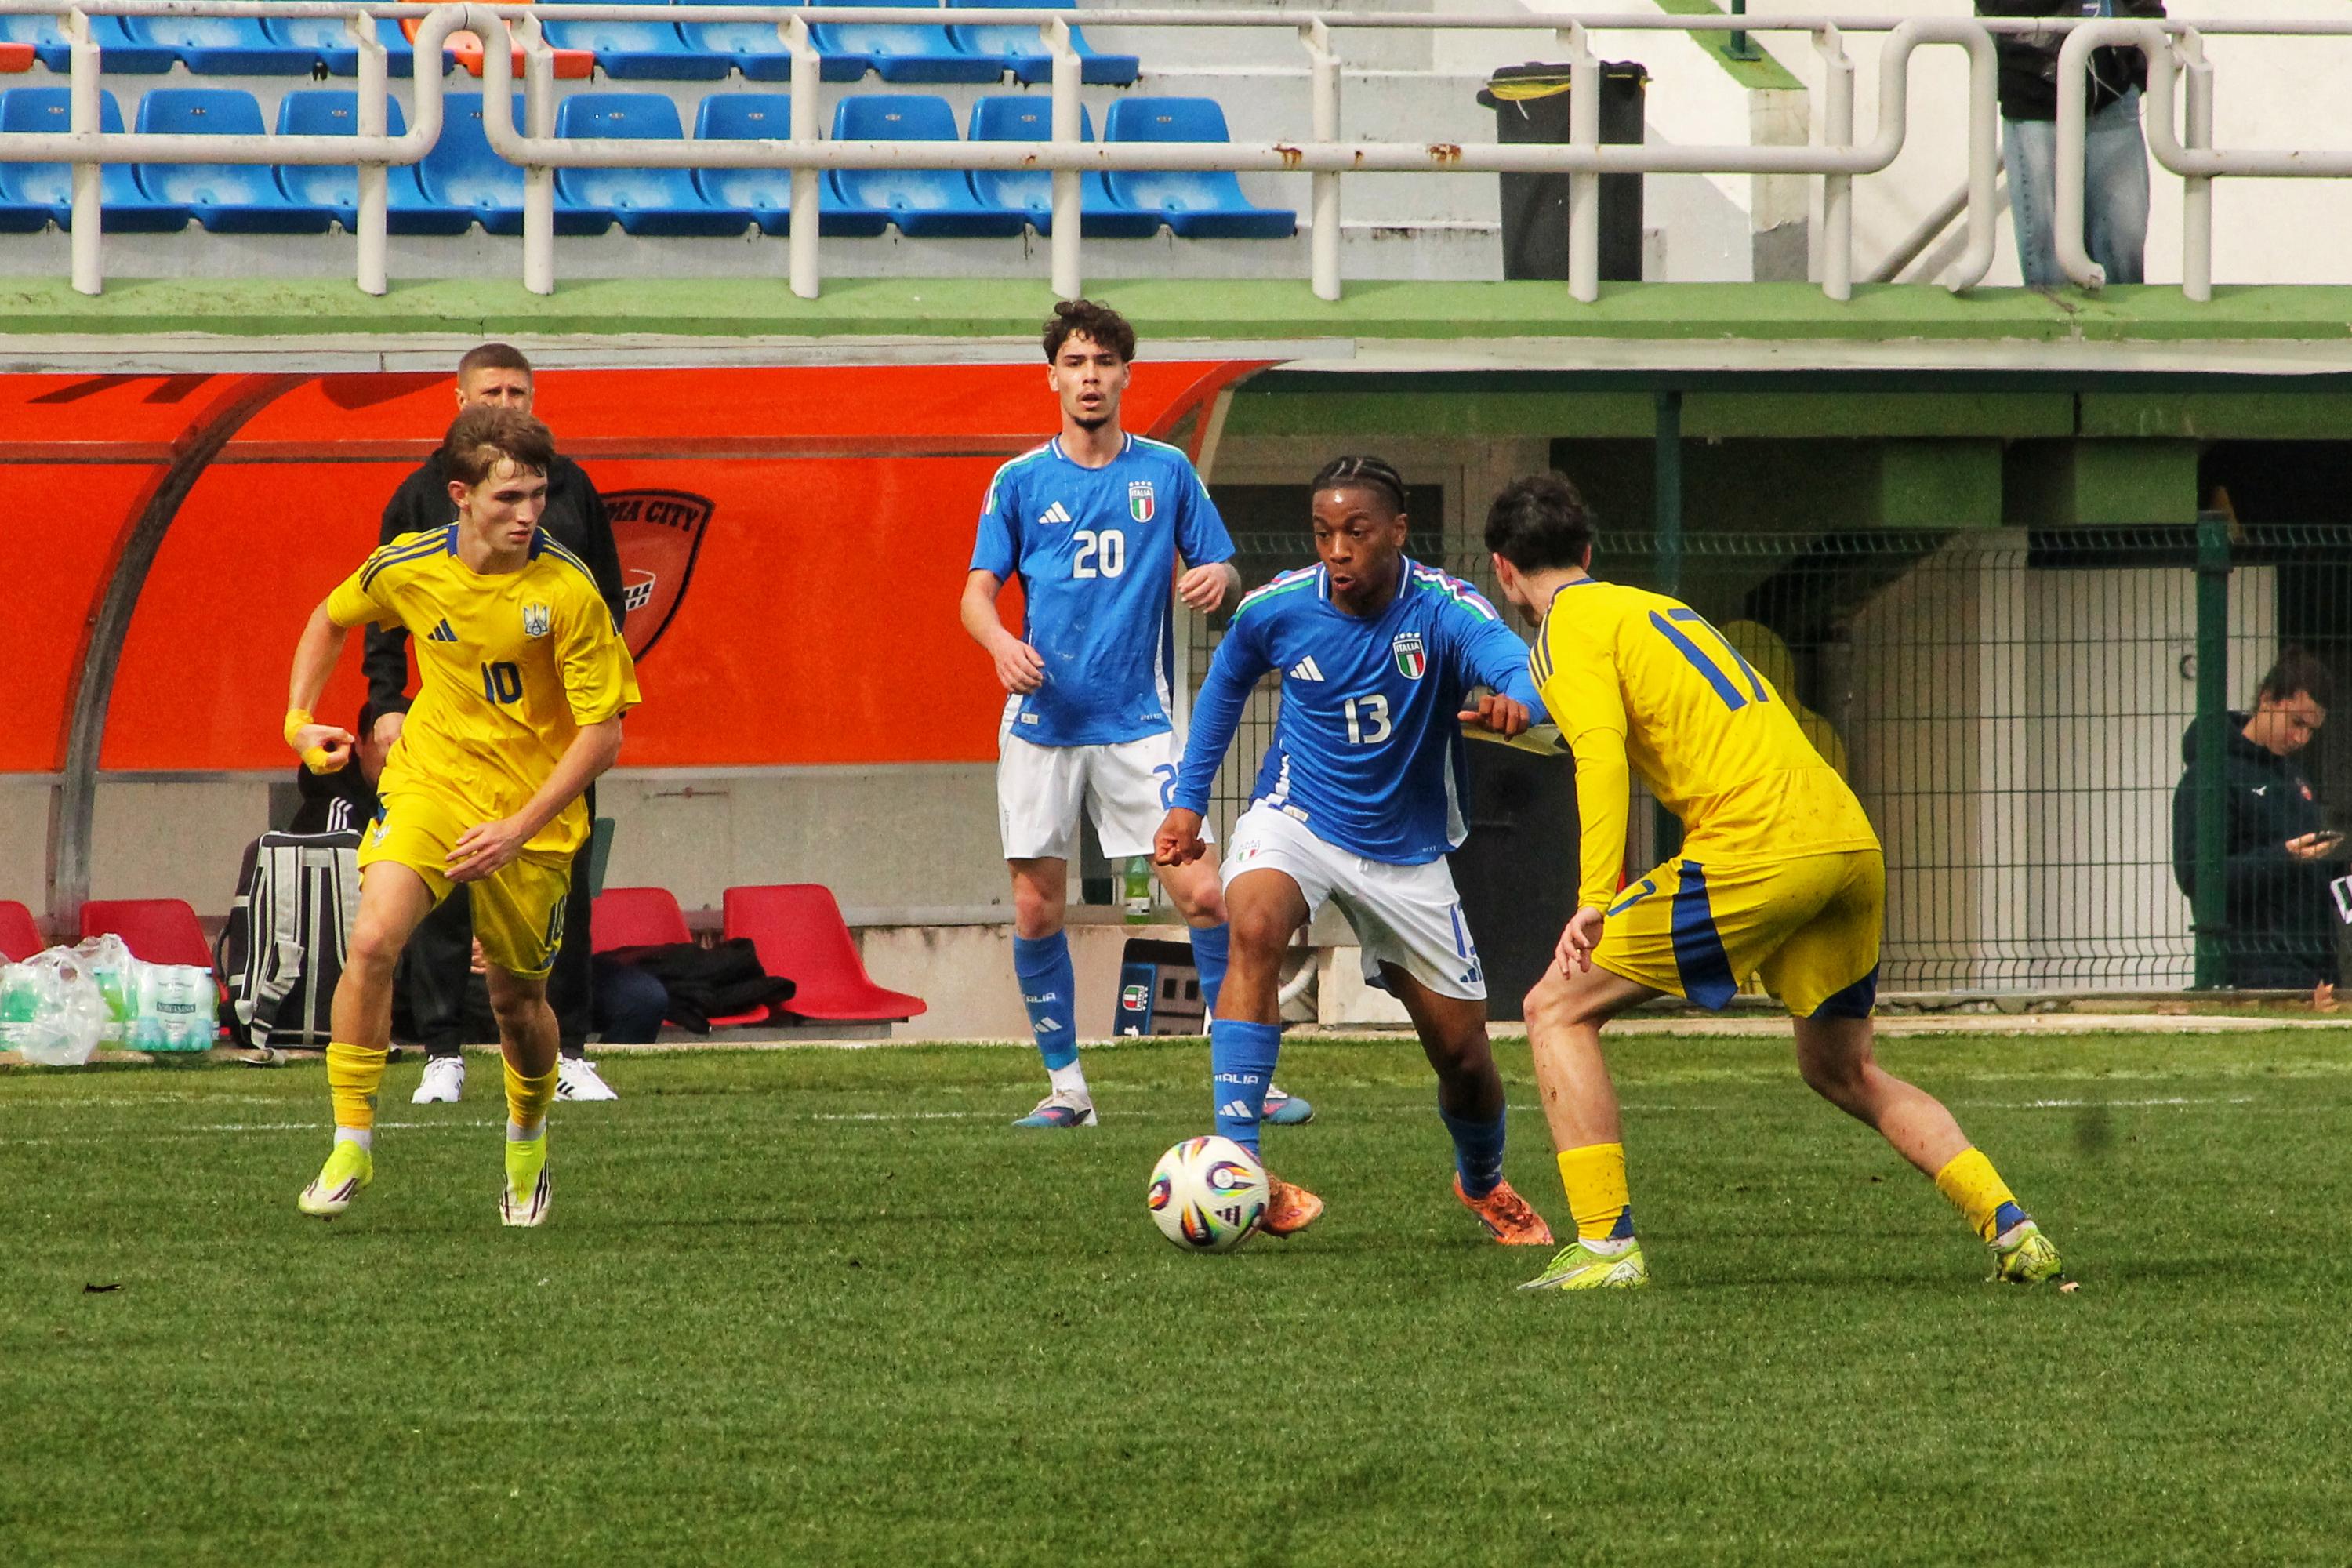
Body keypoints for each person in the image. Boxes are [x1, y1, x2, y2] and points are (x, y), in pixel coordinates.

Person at [1477, 473, 2065, 1291]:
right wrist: (1521, 732)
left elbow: (1602, 754)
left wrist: (1593, 898)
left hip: (1759, 846)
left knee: (1554, 1005)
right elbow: (1613, 726)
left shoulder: (1562, 631)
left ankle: (1607, 1247)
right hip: (1846, 840)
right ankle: (2012, 1226)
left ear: (1504, 572)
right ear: (1587, 551)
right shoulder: (1651, 608)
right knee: (1842, 1069)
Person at [1155, 456, 1556, 1246]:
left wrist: (1521, 700)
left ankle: (1483, 1181)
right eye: (1323, 532)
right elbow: (1228, 677)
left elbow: (1515, 662)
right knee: (1254, 925)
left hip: (1406, 854)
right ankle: (1244, 1165)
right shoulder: (1280, 606)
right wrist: (1187, 801)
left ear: (1397, 532)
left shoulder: (1442, 609)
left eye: (1355, 531)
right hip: (1296, 817)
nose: (1337, 549)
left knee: (1465, 1059)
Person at [284, 407, 640, 1227]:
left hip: (533, 812)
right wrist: (298, 720)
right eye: (510, 496)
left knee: (519, 1003)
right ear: (460, 494)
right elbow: (331, 617)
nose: (529, 514)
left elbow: (604, 734)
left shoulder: (568, 589)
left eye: (539, 495)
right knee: (373, 938)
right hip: (432, 781)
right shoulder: (409, 565)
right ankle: (352, 1142)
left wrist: (517, 826)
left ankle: (526, 1143)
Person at [962, 299, 1310, 1130]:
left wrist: (1215, 581)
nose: (1090, 377)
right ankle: (1067, 1090)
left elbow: (1221, 566)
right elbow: (976, 593)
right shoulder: (1018, 481)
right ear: (1053, 377)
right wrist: (1000, 643)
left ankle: (1248, 1075)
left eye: (1103, 363)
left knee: (1205, 895)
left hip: (1140, 724)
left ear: (1125, 376)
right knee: (1037, 908)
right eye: (1075, 363)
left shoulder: (1165, 473)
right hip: (1041, 724)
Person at [368, 343, 627, 1105]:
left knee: (566, 890)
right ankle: (442, 1052)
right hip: (452, 737)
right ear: (459, 399)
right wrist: (386, 702)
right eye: (492, 390)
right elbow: (378, 612)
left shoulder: (572, 488)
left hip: (552, 741)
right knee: (439, 887)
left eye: (519, 391)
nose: (506, 403)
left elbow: (607, 604)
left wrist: (595, 702)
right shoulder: (420, 493)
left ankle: (570, 1049)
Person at [2172, 648, 2339, 994]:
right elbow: (2198, 880)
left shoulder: (2295, 779)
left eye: (2311, 730)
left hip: (2319, 971)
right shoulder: (2210, 776)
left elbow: (2315, 872)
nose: (2301, 739)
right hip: (2255, 973)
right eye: (2296, 723)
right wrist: (2284, 857)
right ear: (2267, 698)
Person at [1980, 1, 2166, 288]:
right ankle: (2057, 333)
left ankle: (2122, 333)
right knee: (2051, 268)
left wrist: (2138, 66)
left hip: (2113, 97)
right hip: (2034, 101)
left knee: (2123, 254)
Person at [289, 699, 394, 834]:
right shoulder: (338, 814)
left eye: (407, 746)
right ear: (359, 745)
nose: (395, 755)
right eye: (386, 743)